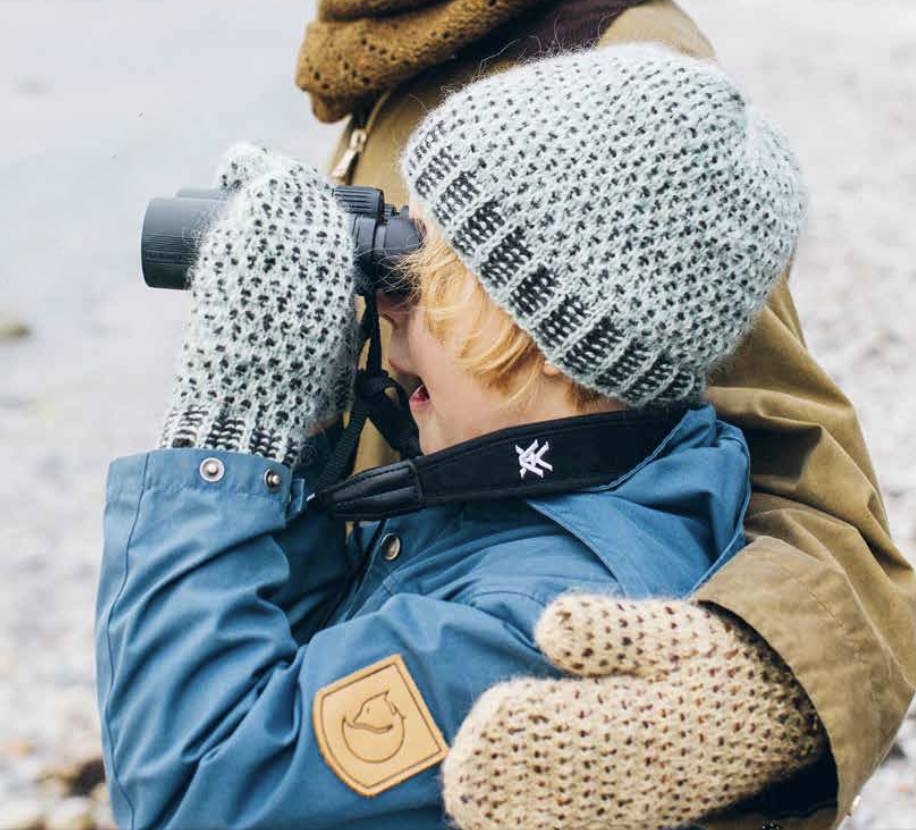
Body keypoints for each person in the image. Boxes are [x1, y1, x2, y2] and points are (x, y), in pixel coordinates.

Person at [287, 0, 916, 827]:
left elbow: (815, 493)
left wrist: (757, 682)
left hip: (470, 723)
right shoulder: (429, 24)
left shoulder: (614, 81)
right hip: (360, 700)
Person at [97, 43, 815, 829]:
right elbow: (299, 666)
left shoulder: (532, 626)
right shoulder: (543, 485)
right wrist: (305, 428)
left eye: (426, 269)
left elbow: (189, 795)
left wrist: (228, 429)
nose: (392, 301)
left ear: (552, 331)